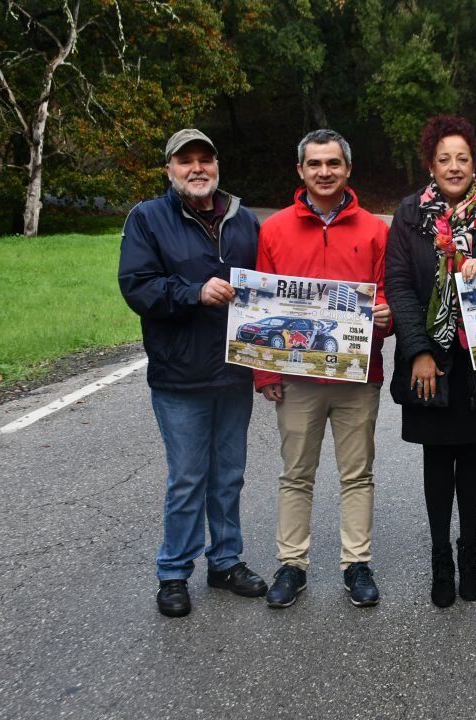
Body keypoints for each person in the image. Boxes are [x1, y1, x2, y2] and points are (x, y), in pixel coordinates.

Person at [119, 128, 267, 618]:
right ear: (170, 170)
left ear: (217, 165)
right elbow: (137, 286)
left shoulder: (244, 220)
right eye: (186, 162)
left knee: (229, 475)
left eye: (205, 159)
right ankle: (174, 572)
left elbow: (273, 289)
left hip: (234, 372)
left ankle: (225, 561)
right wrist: (193, 292)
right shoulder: (148, 218)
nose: (197, 168)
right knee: (187, 478)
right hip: (179, 376)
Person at [385, 116, 476, 608]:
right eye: (444, 158)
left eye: (462, 157)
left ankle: (470, 550)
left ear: (474, 163)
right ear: (430, 164)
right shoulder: (407, 217)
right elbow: (399, 286)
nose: (454, 166)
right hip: (432, 359)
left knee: (474, 454)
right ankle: (440, 553)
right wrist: (418, 350)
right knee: (437, 457)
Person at [255, 129, 392, 609]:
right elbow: (259, 307)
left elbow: (388, 293)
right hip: (297, 379)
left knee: (357, 474)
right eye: (315, 164)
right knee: (296, 474)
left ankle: (357, 563)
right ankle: (292, 564)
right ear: (301, 171)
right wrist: (264, 372)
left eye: (333, 163)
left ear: (347, 169)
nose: (324, 172)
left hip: (358, 375)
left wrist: (387, 314)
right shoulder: (272, 229)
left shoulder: (376, 229)